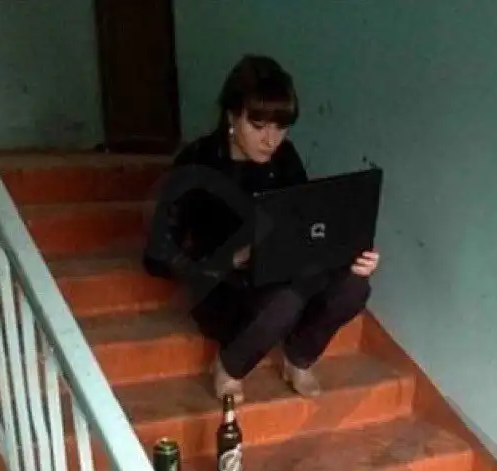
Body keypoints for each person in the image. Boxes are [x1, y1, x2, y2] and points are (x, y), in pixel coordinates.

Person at [143, 55, 378, 404]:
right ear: (231, 116)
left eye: (281, 127)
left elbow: (306, 224)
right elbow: (157, 256)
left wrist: (348, 252)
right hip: (221, 286)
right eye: (258, 125)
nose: (271, 140)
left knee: (355, 285)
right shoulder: (196, 163)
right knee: (285, 300)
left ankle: (298, 357)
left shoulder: (285, 158)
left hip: (279, 273)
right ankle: (230, 366)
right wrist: (230, 259)